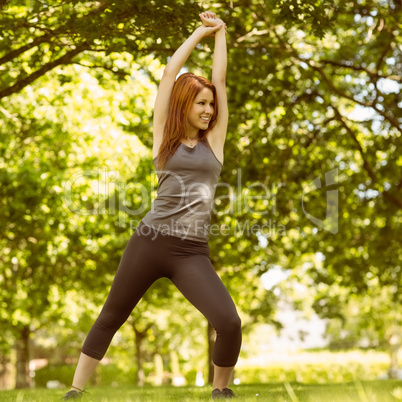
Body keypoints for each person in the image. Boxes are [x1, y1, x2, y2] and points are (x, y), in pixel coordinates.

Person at [62, 11, 241, 400]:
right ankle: (74, 391)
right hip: (150, 240)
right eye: (201, 103)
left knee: (228, 321)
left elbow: (221, 79)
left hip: (191, 252)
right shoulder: (165, 138)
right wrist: (199, 32)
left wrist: (221, 34)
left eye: (211, 104)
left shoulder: (215, 143)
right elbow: (168, 74)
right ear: (184, 105)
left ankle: (221, 394)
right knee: (112, 315)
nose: (209, 110)